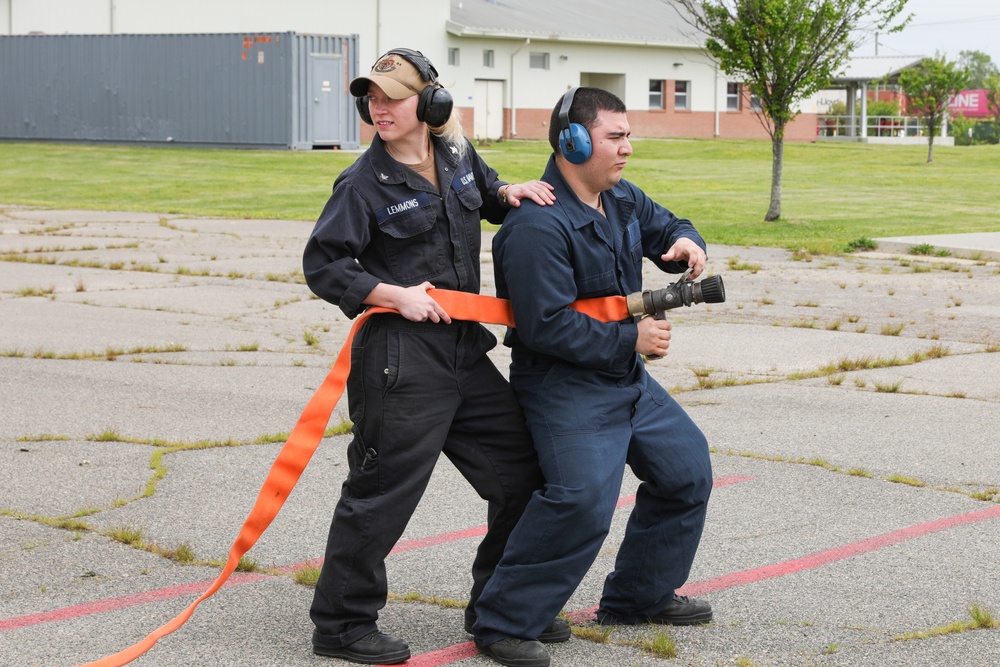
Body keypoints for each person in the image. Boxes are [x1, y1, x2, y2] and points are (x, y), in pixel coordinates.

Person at [301, 48, 565, 665]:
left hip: (463, 354)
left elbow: (484, 199)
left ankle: (500, 608)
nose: (379, 107)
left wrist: (509, 191)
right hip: (400, 361)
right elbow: (324, 264)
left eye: (392, 96)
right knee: (382, 492)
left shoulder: (456, 155)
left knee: (523, 474)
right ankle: (341, 626)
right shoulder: (362, 185)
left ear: (431, 103)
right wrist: (393, 294)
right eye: (371, 97)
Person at [471, 87, 715, 667]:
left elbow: (667, 224)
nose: (628, 148)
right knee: (581, 501)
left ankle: (638, 597)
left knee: (686, 471)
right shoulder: (536, 229)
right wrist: (634, 337)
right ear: (573, 142)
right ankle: (503, 623)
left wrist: (686, 242)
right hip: (563, 385)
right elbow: (544, 327)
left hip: (623, 378)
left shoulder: (620, 198)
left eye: (628, 135)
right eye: (616, 136)